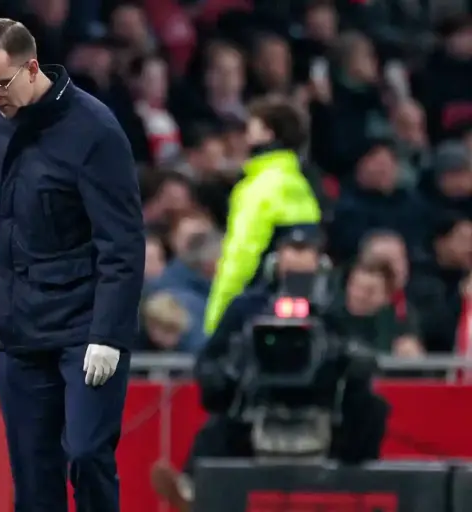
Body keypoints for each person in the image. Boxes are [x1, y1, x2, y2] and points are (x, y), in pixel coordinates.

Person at [0, 19, 145, 512]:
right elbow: (36, 209)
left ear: (31, 67)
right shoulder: (0, 119)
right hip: (21, 327)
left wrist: (108, 334)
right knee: (32, 471)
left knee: (87, 455)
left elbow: (123, 242)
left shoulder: (96, 131)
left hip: (84, 325)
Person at [153, 229, 389, 512]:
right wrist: (229, 370)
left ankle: (364, 489)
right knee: (218, 427)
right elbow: (210, 359)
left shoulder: (335, 309)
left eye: (306, 250)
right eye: (292, 249)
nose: (299, 258)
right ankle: (192, 489)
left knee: (372, 409)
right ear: (277, 258)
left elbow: (363, 353)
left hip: (322, 402)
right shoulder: (247, 307)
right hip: (260, 401)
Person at [202, 97, 321, 334]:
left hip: (254, 310)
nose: (244, 136)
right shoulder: (302, 186)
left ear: (268, 133)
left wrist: (218, 317)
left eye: (251, 127)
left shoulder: (258, 188)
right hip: (296, 309)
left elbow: (241, 255)